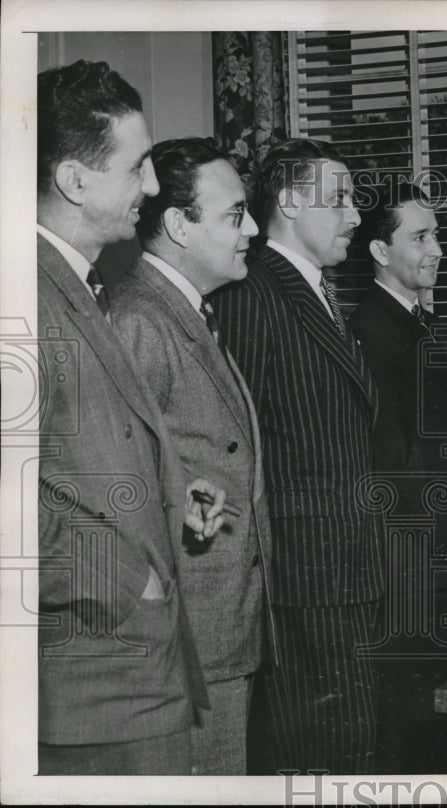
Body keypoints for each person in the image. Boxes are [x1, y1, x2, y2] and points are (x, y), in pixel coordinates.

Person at [36, 60, 224, 775]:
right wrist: (126, 580)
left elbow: (78, 451)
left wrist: (173, 492)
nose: (152, 186)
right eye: (139, 164)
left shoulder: (78, 285)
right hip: (93, 690)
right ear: (75, 181)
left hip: (134, 679)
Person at [211, 138, 383, 775]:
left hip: (341, 569)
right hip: (301, 580)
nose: (356, 216)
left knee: (345, 752)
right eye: (337, 199)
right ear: (287, 202)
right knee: (323, 760)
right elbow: (237, 446)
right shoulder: (253, 292)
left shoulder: (317, 292)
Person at [107, 137, 273, 774]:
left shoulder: (185, 311)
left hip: (220, 628)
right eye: (235, 215)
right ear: (178, 224)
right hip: (187, 639)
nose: (253, 230)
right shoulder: (140, 320)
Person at [349, 179, 447, 773]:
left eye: (437, 235)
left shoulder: (426, 327)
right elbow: (398, 462)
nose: (437, 249)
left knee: (442, 724)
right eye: (420, 236)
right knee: (410, 732)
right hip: (413, 562)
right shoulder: (368, 333)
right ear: (380, 252)